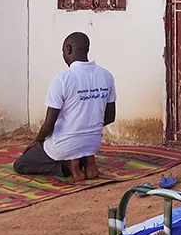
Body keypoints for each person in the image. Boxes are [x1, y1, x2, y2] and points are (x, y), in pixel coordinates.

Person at [13, 33, 117, 182]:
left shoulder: (62, 80)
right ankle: (88, 161)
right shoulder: (107, 75)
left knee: (21, 164)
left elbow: (49, 125)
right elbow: (110, 117)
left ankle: (69, 167)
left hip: (64, 144)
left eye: (63, 52)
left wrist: (37, 140)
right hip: (92, 143)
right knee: (77, 145)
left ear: (68, 49)